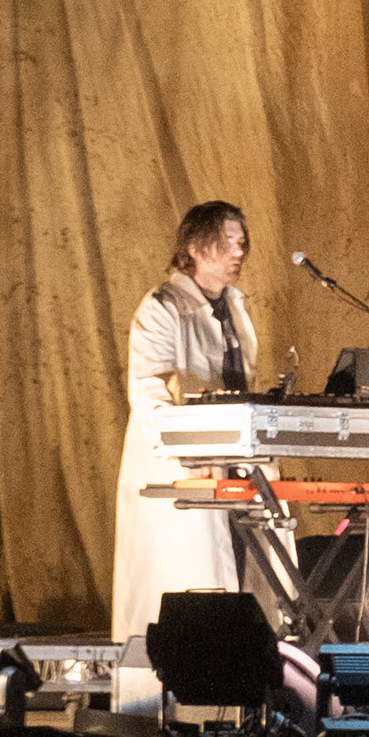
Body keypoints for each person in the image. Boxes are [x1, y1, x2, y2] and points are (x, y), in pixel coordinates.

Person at [111, 201, 266, 708]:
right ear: (198, 247)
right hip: (181, 471)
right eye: (229, 242)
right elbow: (149, 393)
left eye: (242, 242)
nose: (240, 251)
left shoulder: (234, 307)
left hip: (232, 468)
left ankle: (239, 702)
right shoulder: (162, 307)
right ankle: (166, 708)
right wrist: (190, 454)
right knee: (187, 586)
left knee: (248, 580)